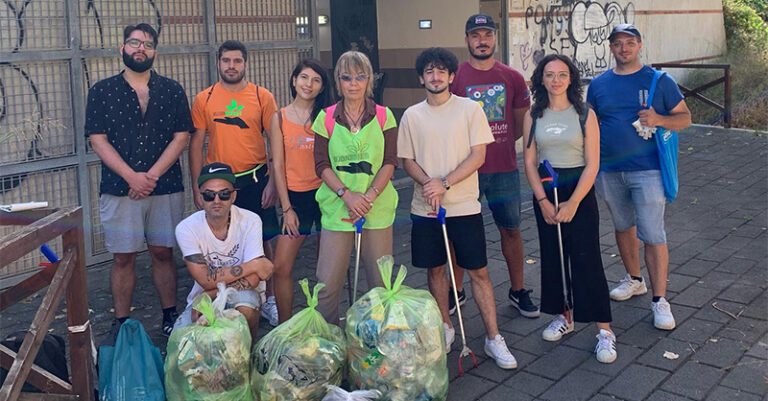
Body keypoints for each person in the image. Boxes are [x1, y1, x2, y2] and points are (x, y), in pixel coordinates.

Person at [399, 47, 518, 369]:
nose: (435, 77)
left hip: (464, 206)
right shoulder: (411, 115)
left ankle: (494, 337)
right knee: (436, 269)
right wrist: (429, 184)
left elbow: (478, 155)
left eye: (441, 71)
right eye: (429, 71)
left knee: (478, 271)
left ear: (451, 76)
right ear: (421, 77)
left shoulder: (470, 109)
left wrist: (445, 183)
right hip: (426, 208)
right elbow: (407, 160)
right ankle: (445, 327)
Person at [84, 23, 192, 337]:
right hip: (119, 188)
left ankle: (170, 316)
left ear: (155, 52)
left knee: (162, 252)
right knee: (122, 256)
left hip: (165, 185)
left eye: (146, 44)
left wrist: (151, 176)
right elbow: (98, 140)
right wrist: (132, 177)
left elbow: (181, 136)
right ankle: (121, 323)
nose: (140, 48)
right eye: (134, 42)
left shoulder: (172, 90)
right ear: (122, 48)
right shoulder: (102, 91)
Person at [587, 24, 691, 330]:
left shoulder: (659, 80)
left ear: (640, 45)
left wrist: (659, 119)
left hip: (648, 170)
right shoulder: (599, 84)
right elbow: (590, 123)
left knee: (653, 234)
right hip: (608, 169)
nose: (624, 48)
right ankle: (635, 279)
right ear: (610, 48)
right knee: (622, 226)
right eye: (618, 43)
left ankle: (660, 300)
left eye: (629, 42)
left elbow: (685, 118)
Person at [523, 54, 616, 363]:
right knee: (554, 256)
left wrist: (574, 201)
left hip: (579, 191)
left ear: (571, 79)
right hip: (548, 190)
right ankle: (565, 316)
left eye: (562, 74)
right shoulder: (533, 115)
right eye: (549, 75)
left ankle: (604, 330)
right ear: (541, 79)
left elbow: (593, 163)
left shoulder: (584, 114)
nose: (556, 80)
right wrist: (543, 201)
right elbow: (529, 161)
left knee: (586, 257)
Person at [450, 14, 537, 318]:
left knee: (510, 230)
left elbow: (520, 121)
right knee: (460, 233)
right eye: (476, 35)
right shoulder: (456, 76)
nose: (482, 41)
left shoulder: (511, 77)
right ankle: (456, 291)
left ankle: (517, 290)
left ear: (495, 39)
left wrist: (496, 144)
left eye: (487, 35)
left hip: (503, 170)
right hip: (464, 172)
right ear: (467, 40)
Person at [190, 40, 280, 326]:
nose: (231, 66)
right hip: (220, 187)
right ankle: (224, 297)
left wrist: (274, 183)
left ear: (245, 63)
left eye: (237, 61)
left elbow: (275, 141)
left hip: (255, 180)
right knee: (220, 244)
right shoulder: (204, 98)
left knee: (264, 241)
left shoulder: (261, 96)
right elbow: (196, 144)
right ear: (218, 63)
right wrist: (196, 186)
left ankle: (271, 299)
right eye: (226, 60)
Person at [311, 50, 398, 324]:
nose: (353, 83)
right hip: (338, 210)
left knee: (379, 284)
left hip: (377, 209)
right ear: (338, 81)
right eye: (346, 77)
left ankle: (377, 343)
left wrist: (368, 197)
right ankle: (329, 345)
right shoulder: (325, 118)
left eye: (360, 77)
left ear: (369, 80)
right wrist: (346, 195)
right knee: (326, 286)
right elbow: (321, 164)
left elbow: (390, 161)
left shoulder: (384, 116)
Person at [174, 163, 275, 340]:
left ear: (234, 195)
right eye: (209, 195)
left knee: (246, 310)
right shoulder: (186, 228)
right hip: (205, 296)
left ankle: (247, 356)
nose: (217, 200)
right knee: (180, 339)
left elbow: (254, 278)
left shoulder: (251, 220)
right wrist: (253, 265)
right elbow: (205, 280)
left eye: (224, 194)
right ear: (200, 196)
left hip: (238, 293)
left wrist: (210, 294)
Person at [267, 59, 334, 323]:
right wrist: (287, 209)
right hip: (296, 199)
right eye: (304, 77)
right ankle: (285, 327)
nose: (309, 84)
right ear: (294, 80)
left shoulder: (328, 117)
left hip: (327, 195)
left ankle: (323, 322)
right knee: (281, 266)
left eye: (316, 80)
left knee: (327, 269)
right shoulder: (279, 117)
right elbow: (279, 164)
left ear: (321, 87)